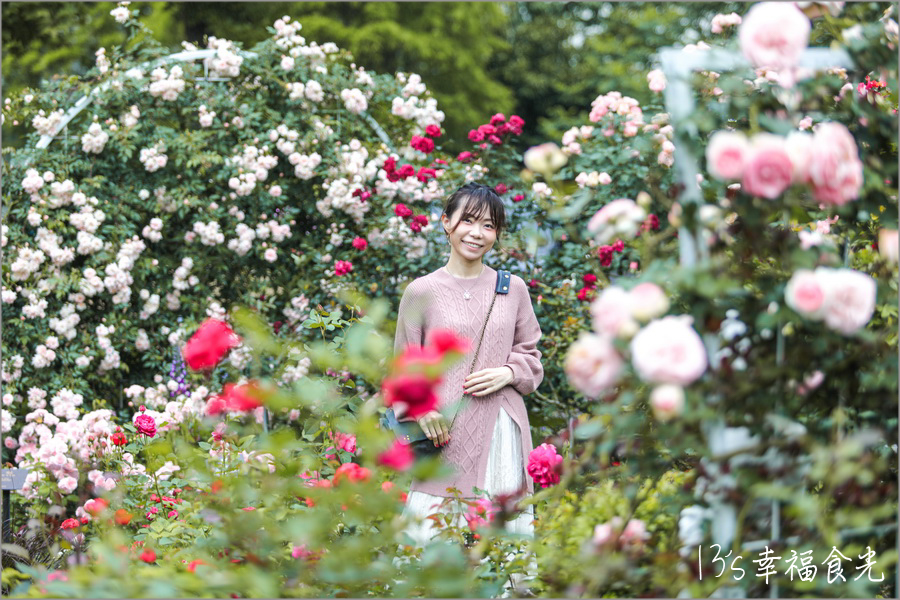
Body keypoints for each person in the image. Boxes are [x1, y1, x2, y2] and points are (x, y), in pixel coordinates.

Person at [392, 182, 544, 548]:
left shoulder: (512, 288)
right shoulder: (420, 292)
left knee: (502, 547)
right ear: (447, 222)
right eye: (469, 221)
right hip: (443, 435)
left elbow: (531, 354)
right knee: (430, 543)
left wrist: (508, 372)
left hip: (500, 431)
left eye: (489, 225)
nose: (478, 233)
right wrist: (422, 409)